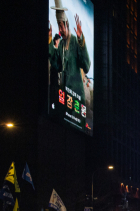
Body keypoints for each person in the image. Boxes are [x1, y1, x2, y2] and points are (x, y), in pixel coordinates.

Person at [48, 0, 91, 130]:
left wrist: (81, 38)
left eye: (62, 26)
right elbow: (56, 65)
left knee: (79, 127)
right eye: (58, 26)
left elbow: (87, 66)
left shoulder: (75, 42)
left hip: (77, 97)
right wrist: (50, 40)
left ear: (67, 24)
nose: (60, 29)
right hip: (65, 96)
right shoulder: (60, 44)